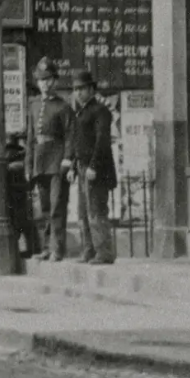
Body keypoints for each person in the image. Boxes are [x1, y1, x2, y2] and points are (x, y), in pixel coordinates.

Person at [64, 68, 117, 265]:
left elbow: (102, 141)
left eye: (82, 88)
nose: (78, 92)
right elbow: (79, 143)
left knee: (96, 210)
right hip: (82, 168)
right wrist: (72, 167)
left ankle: (103, 252)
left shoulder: (100, 111)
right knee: (83, 212)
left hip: (96, 170)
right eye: (76, 89)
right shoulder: (81, 112)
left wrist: (93, 166)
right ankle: (89, 251)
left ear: (92, 89)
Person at [28, 58, 73, 261]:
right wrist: (29, 165)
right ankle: (46, 246)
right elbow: (30, 138)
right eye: (41, 80)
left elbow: (70, 135)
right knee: (45, 207)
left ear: (55, 81)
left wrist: (67, 159)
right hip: (40, 160)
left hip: (56, 160)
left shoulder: (63, 107)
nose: (44, 84)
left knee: (57, 206)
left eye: (48, 79)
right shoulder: (34, 105)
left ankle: (58, 248)